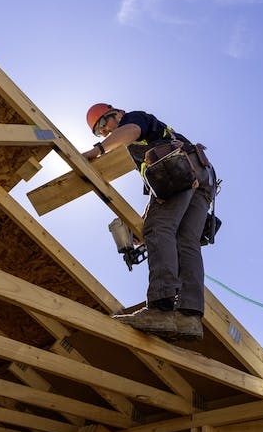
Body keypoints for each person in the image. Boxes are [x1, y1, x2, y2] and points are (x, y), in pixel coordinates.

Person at [81, 103, 214, 341]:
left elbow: (130, 130)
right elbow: (160, 193)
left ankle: (160, 309)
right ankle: (190, 317)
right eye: (98, 132)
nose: (104, 132)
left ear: (117, 113)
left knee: (159, 227)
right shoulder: (149, 146)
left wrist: (98, 150)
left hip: (180, 167)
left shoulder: (132, 120)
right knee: (186, 242)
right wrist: (144, 220)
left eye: (103, 123)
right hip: (202, 176)